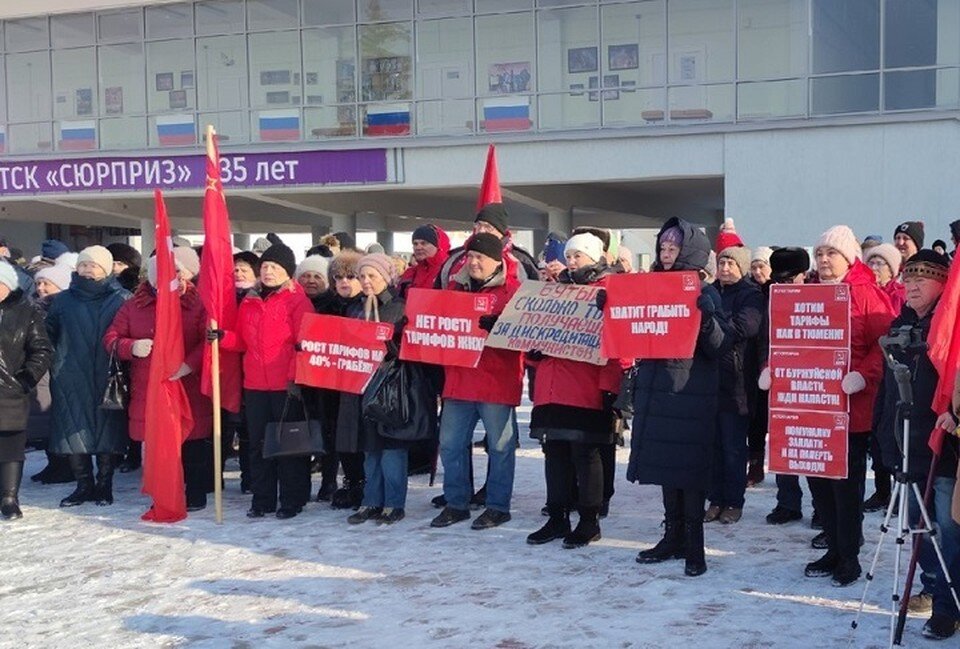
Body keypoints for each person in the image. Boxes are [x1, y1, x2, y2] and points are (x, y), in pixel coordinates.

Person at [630, 218, 730, 577]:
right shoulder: (649, 286)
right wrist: (609, 308)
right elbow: (631, 327)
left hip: (690, 394)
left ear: (689, 251)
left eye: (673, 248)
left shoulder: (707, 292)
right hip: (657, 392)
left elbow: (720, 346)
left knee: (690, 474)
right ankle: (672, 536)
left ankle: (694, 545)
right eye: (663, 248)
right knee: (666, 471)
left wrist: (706, 319)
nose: (666, 254)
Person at [874, 249, 960, 640]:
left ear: (944, 283)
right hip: (905, 443)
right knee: (915, 525)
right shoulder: (900, 323)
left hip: (943, 445)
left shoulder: (951, 329)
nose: (911, 286)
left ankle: (948, 605)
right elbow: (888, 391)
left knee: (947, 528)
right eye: (907, 280)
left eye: (921, 279)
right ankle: (931, 583)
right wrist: (883, 438)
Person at [803, 225, 895, 587]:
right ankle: (833, 546)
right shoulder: (808, 293)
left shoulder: (867, 294)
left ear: (848, 257)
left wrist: (863, 374)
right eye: (820, 254)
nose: (824, 260)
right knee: (818, 480)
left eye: (831, 254)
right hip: (813, 404)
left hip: (850, 407)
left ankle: (849, 554)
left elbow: (884, 342)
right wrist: (774, 370)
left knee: (846, 484)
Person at [527, 233, 627, 548]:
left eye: (579, 256)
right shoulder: (553, 291)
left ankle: (588, 520)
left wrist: (610, 388)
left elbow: (620, 343)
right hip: (552, 385)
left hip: (587, 388)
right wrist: (533, 352)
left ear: (595, 257)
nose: (572, 261)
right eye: (569, 256)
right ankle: (557, 517)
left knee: (587, 455)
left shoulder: (608, 291)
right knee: (554, 454)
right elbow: (530, 334)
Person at [211, 242, 313, 519]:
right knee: (257, 444)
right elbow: (243, 341)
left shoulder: (298, 301)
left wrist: (295, 378)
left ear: (287, 272)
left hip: (286, 385)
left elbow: (304, 343)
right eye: (265, 267)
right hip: (255, 384)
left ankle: (292, 498)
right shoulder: (250, 300)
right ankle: (262, 498)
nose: (268, 272)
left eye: (275, 267)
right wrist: (224, 338)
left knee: (288, 445)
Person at [104, 256, 213, 511]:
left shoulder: (197, 303)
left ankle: (196, 491)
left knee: (193, 442)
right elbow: (111, 338)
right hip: (150, 387)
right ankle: (162, 493)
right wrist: (131, 347)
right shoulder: (133, 306)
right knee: (158, 447)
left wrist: (190, 363)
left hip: (187, 385)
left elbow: (207, 340)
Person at [430, 233, 523, 531]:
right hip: (459, 380)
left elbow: (526, 337)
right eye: (469, 256)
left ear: (497, 260)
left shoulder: (514, 291)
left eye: (479, 257)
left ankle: (498, 506)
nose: (473, 262)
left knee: (499, 447)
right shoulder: (454, 288)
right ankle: (457, 502)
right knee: (450, 444)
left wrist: (500, 328)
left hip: (496, 381)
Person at [340, 254, 435, 525]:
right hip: (361, 385)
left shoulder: (401, 307)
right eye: (363, 276)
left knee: (392, 449)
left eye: (372, 276)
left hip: (392, 387)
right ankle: (371, 501)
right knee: (370, 451)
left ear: (386, 277)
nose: (367, 281)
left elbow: (415, 348)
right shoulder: (354, 309)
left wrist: (393, 345)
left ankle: (394, 504)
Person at [47, 246, 131, 507]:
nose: (87, 269)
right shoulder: (62, 301)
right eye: (83, 264)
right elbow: (47, 335)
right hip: (70, 375)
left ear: (105, 268)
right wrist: (56, 361)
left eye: (93, 265)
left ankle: (105, 484)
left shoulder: (122, 299)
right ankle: (83, 485)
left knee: (107, 429)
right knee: (72, 430)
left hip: (108, 374)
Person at [759, 247, 817, 525]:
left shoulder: (822, 296)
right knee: (784, 440)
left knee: (816, 444)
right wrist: (765, 368)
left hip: (815, 382)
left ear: (804, 275)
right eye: (778, 281)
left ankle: (821, 507)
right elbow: (763, 339)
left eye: (789, 279)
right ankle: (788, 502)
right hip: (782, 381)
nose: (783, 285)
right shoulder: (770, 299)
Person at [705, 245, 762, 525]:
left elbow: (746, 327)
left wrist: (711, 325)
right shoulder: (708, 291)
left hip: (738, 382)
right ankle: (715, 499)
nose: (725, 268)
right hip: (709, 381)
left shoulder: (751, 295)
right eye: (722, 263)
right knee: (712, 447)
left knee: (733, 447)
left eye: (731, 264)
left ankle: (733, 501)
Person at [0, 261, 53, 519]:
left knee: (11, 444)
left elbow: (41, 350)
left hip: (11, 389)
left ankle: (9, 498)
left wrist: (25, 379)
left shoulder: (26, 311)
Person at [323, 251, 368, 508]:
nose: (344, 282)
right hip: (332, 383)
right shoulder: (328, 306)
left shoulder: (367, 305)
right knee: (340, 436)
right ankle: (349, 482)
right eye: (338, 277)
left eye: (351, 276)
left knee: (360, 437)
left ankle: (361, 483)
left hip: (360, 382)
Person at [26, 263, 73, 485]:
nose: (41, 287)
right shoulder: (33, 307)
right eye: (38, 283)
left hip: (60, 369)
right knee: (45, 421)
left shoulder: (64, 308)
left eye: (47, 283)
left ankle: (65, 466)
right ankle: (53, 463)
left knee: (59, 420)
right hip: (40, 372)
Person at [437, 203, 539, 287]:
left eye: (488, 227)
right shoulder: (455, 258)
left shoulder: (522, 260)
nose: (481, 230)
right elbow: (438, 292)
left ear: (501, 231)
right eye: (478, 225)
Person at [397, 224, 450, 298]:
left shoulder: (449, 272)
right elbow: (397, 301)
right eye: (415, 244)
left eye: (424, 243)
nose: (418, 247)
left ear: (437, 246)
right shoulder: (409, 273)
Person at [864, 242, 905, 313]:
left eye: (879, 263)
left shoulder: (899, 295)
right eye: (871, 263)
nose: (873, 268)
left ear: (891, 271)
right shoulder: (864, 291)